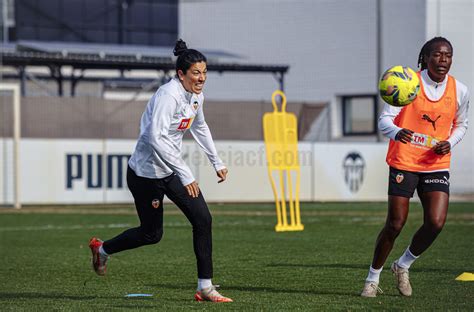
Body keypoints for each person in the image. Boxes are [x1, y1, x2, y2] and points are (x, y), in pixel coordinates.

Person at [89, 39, 233, 303]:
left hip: (170, 171)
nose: (201, 78)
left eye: (204, 72)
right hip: (145, 175)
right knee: (151, 235)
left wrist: (217, 161)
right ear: (181, 74)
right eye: (196, 73)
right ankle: (103, 249)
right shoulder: (169, 95)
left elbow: (199, 127)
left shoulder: (197, 96)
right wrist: (187, 174)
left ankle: (205, 287)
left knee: (203, 219)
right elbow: (156, 140)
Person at [361, 37, 470, 297]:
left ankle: (403, 265)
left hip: (435, 164)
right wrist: (398, 132)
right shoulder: (406, 83)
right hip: (405, 161)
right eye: (437, 55)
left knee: (436, 222)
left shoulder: (460, 90)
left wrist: (449, 142)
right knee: (395, 224)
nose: (443, 60)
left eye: (448, 55)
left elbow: (461, 124)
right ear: (425, 57)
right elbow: (384, 120)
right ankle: (372, 278)